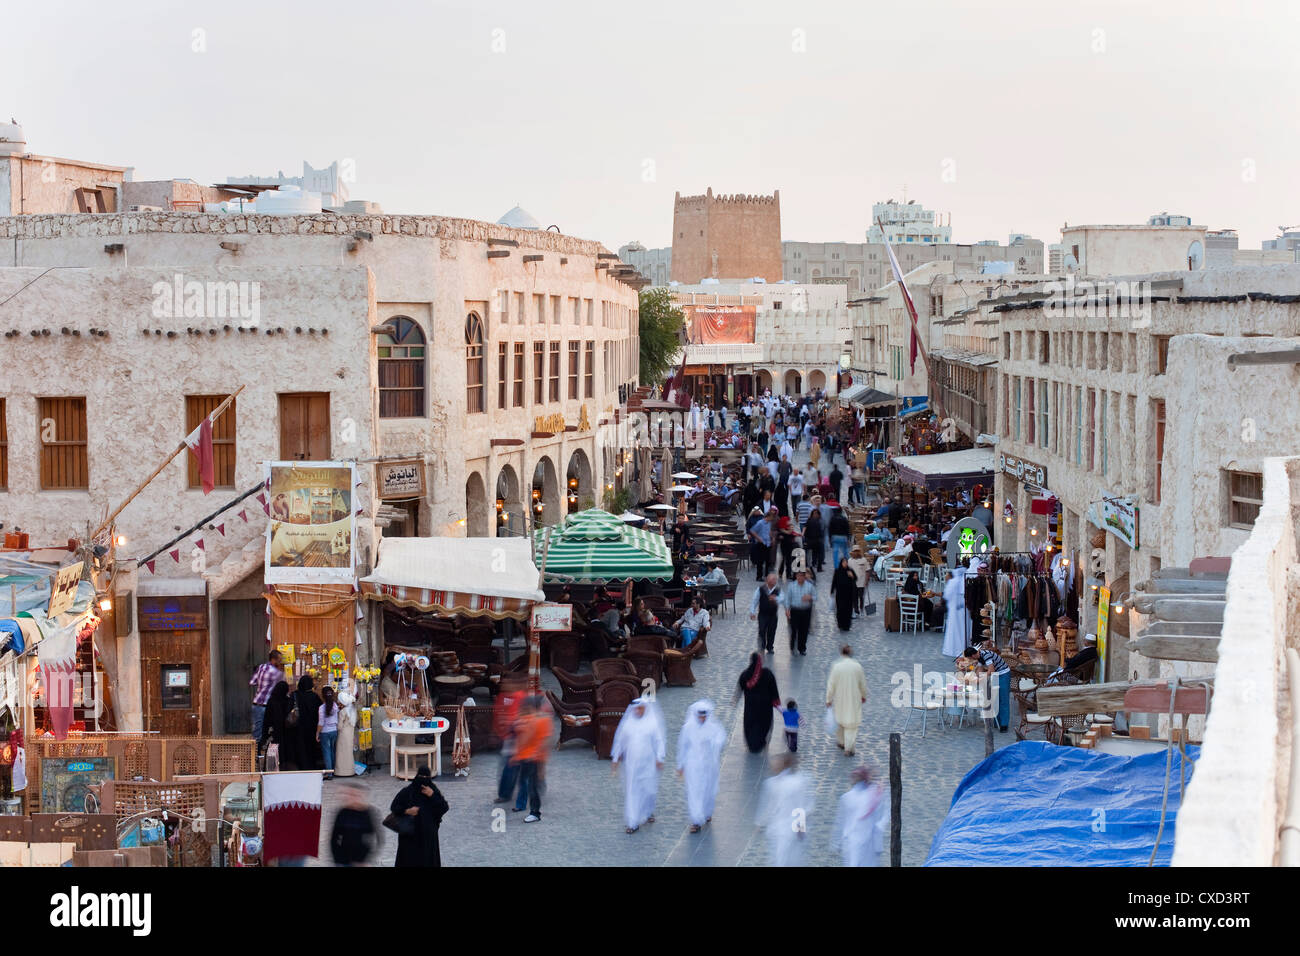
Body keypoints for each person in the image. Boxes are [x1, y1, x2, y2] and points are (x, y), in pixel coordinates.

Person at [611, 697, 666, 833]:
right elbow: (619, 741)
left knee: (648, 790)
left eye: (641, 708)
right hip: (632, 765)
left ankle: (648, 812)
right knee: (633, 791)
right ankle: (633, 821)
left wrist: (659, 757)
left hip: (648, 765)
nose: (638, 711)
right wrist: (616, 758)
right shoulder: (628, 724)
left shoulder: (652, 723)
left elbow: (659, 741)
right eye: (636, 708)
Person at [676, 700, 727, 833]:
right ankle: (696, 820)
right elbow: (683, 746)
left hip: (709, 764)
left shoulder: (714, 727)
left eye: (704, 716)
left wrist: (714, 743)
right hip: (693, 764)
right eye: (700, 716)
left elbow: (721, 739)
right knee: (694, 791)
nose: (702, 718)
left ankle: (707, 811)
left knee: (708, 790)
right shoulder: (688, 728)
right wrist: (680, 764)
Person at [755, 752, 813, 866]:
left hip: (789, 827)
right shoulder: (771, 783)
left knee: (783, 859)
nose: (772, 766)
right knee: (779, 858)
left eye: (776, 763)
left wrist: (800, 827)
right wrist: (760, 821)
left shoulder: (797, 782)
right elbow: (769, 804)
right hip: (776, 827)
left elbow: (802, 806)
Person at [390, 766, 449, 867]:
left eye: (426, 777)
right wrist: (407, 811)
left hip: (428, 839)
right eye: (421, 776)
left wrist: (432, 795)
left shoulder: (433, 791)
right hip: (410, 838)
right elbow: (394, 807)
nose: (423, 779)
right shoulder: (407, 792)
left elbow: (444, 808)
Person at [833, 765, 888, 867]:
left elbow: (840, 821)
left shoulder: (848, 797)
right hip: (864, 842)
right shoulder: (872, 796)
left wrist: (837, 842)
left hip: (854, 841)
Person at [511, 695, 555, 822]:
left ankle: (535, 813)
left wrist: (537, 756)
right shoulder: (534, 719)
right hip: (528, 757)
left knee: (532, 786)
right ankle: (531, 809)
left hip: (533, 758)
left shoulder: (539, 720)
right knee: (528, 783)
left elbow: (543, 741)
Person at [735, 652, 781, 754]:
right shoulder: (767, 673)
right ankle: (761, 743)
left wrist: (735, 699)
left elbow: (740, 687)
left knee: (750, 724)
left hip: (750, 707)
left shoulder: (745, 674)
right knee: (764, 724)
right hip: (765, 707)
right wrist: (777, 702)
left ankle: (751, 744)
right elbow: (773, 689)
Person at [825, 645, 868, 756]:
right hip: (853, 698)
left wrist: (829, 699)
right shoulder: (857, 667)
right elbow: (862, 684)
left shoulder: (836, 666)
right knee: (851, 724)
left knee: (840, 720)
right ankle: (848, 747)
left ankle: (841, 742)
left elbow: (831, 684)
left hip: (839, 698)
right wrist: (864, 695)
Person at [968, 640, 1012, 733]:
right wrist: (976, 677)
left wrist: (981, 679)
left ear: (973, 656)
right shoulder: (979, 656)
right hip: (995, 675)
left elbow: (991, 670)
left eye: (970, 658)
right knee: (995, 698)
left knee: (1003, 698)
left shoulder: (986, 655)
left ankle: (1004, 724)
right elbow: (979, 669)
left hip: (1003, 673)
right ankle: (997, 722)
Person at [329, 782, 377, 866]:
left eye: (355, 795)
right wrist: (337, 858)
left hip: (360, 860)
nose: (351, 798)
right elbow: (334, 838)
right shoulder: (342, 812)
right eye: (350, 795)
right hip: (343, 860)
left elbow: (375, 838)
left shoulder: (368, 813)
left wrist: (365, 858)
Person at [249, 649, 284, 744]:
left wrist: (263, 683)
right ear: (274, 660)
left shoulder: (261, 667)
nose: (280, 662)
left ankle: (255, 755)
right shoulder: (277, 673)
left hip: (256, 704)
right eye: (279, 660)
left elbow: (252, 682)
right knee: (265, 733)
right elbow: (284, 686)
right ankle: (258, 755)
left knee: (257, 731)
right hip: (266, 706)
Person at [289, 675, 323, 771]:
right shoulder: (315, 697)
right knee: (310, 746)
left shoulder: (295, 695)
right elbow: (320, 710)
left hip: (298, 727)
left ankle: (300, 765)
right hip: (312, 727)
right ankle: (311, 765)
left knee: (300, 746)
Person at [749, 573, 788, 654]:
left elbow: (783, 599)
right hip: (762, 614)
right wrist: (752, 612)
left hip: (773, 614)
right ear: (767, 580)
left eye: (774, 579)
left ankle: (770, 647)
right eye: (770, 579)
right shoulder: (760, 589)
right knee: (762, 630)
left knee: (772, 630)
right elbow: (754, 601)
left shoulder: (778, 590)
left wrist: (776, 599)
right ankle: (762, 646)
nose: (772, 581)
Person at [259, 680, 290, 768]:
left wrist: (264, 736)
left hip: (274, 732)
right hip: (287, 732)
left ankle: (273, 767)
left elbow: (266, 719)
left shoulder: (272, 701)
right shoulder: (288, 701)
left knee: (274, 750)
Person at [942, 564, 971, 658]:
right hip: (965, 611)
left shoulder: (953, 582)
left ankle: (954, 649)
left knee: (954, 631)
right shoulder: (967, 581)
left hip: (955, 611)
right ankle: (965, 648)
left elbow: (946, 595)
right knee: (964, 629)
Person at [786, 568, 815, 655]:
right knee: (794, 629)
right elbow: (788, 598)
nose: (800, 578)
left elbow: (815, 596)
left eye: (802, 576)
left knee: (804, 630)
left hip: (806, 610)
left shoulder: (809, 586)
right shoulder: (791, 585)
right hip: (795, 610)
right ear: (796, 576)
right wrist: (787, 609)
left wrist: (810, 597)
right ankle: (792, 646)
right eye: (798, 576)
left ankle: (802, 648)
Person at [317, 685, 339, 779]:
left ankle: (329, 774)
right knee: (332, 751)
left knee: (326, 752)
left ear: (323, 696)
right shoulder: (335, 706)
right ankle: (332, 771)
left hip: (325, 732)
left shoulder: (322, 708)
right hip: (334, 731)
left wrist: (317, 733)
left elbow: (321, 723)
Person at [830, 557, 857, 631]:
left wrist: (852, 576)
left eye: (846, 562)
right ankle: (840, 624)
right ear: (841, 563)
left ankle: (847, 625)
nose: (845, 564)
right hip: (840, 594)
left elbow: (855, 578)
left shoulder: (850, 570)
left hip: (849, 594)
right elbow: (834, 581)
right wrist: (832, 591)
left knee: (848, 610)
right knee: (840, 609)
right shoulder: (837, 571)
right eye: (844, 562)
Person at [748, 506, 772, 581]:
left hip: (767, 543)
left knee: (768, 561)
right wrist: (758, 538)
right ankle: (759, 576)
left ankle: (767, 575)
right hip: (760, 544)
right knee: (760, 561)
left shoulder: (769, 523)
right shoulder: (760, 523)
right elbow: (752, 530)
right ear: (767, 517)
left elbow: (769, 531)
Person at [848, 545, 871, 615]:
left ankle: (861, 607)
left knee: (861, 596)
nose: (856, 553)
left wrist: (866, 580)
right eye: (854, 551)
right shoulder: (850, 561)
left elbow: (867, 570)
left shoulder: (864, 560)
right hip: (853, 582)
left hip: (862, 582)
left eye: (857, 551)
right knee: (854, 596)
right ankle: (856, 609)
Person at [828, 504, 852, 570]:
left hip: (835, 537)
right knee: (845, 552)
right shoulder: (844, 519)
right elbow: (847, 529)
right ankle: (847, 564)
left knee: (835, 552)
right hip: (843, 537)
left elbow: (830, 529)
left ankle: (836, 566)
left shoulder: (832, 519)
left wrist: (830, 538)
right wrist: (848, 538)